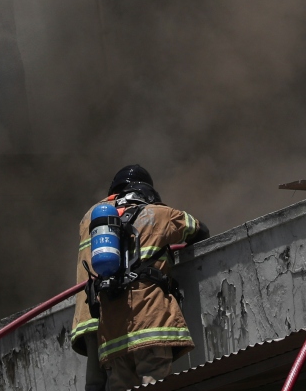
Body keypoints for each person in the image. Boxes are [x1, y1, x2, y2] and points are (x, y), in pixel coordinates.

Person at [72, 165, 209, 390]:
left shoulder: (93, 219)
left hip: (110, 330)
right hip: (151, 323)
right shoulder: (157, 213)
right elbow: (200, 230)